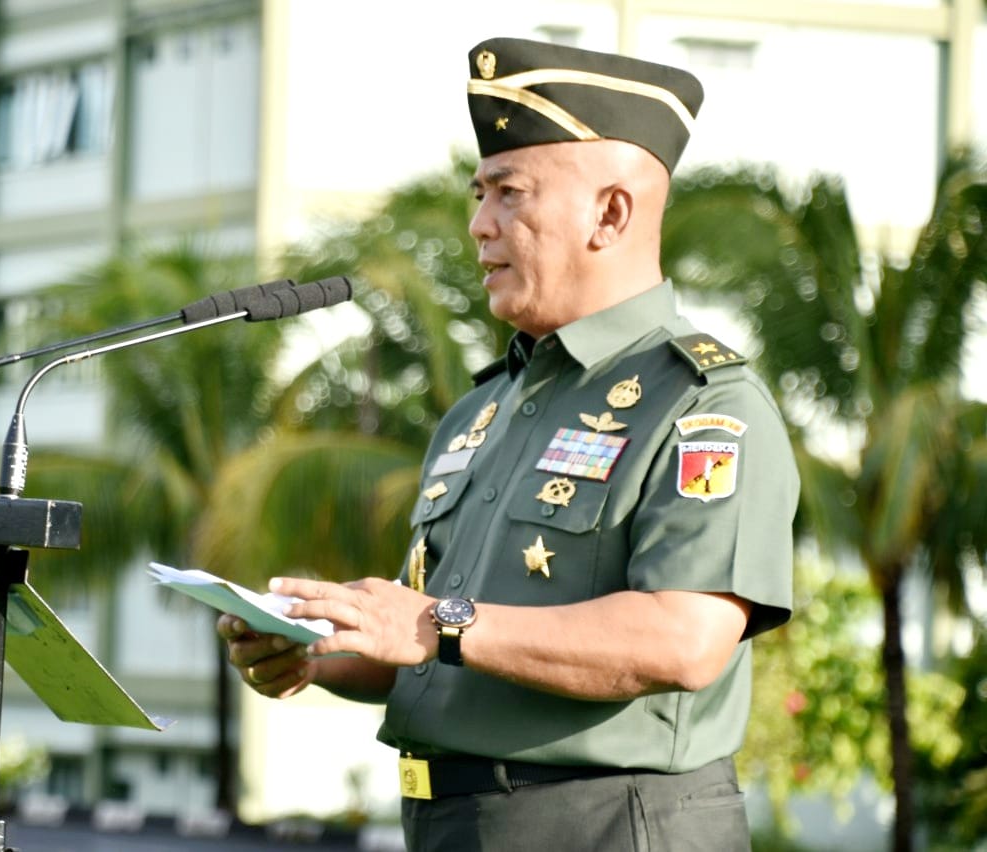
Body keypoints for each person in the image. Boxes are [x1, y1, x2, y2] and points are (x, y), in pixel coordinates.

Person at [219, 36, 797, 851]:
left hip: (608, 824)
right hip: (453, 822)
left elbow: (684, 637)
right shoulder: (485, 410)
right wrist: (317, 648)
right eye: (477, 193)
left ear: (611, 213)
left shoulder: (703, 403)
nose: (478, 224)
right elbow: (432, 645)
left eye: (507, 193)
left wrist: (436, 623)